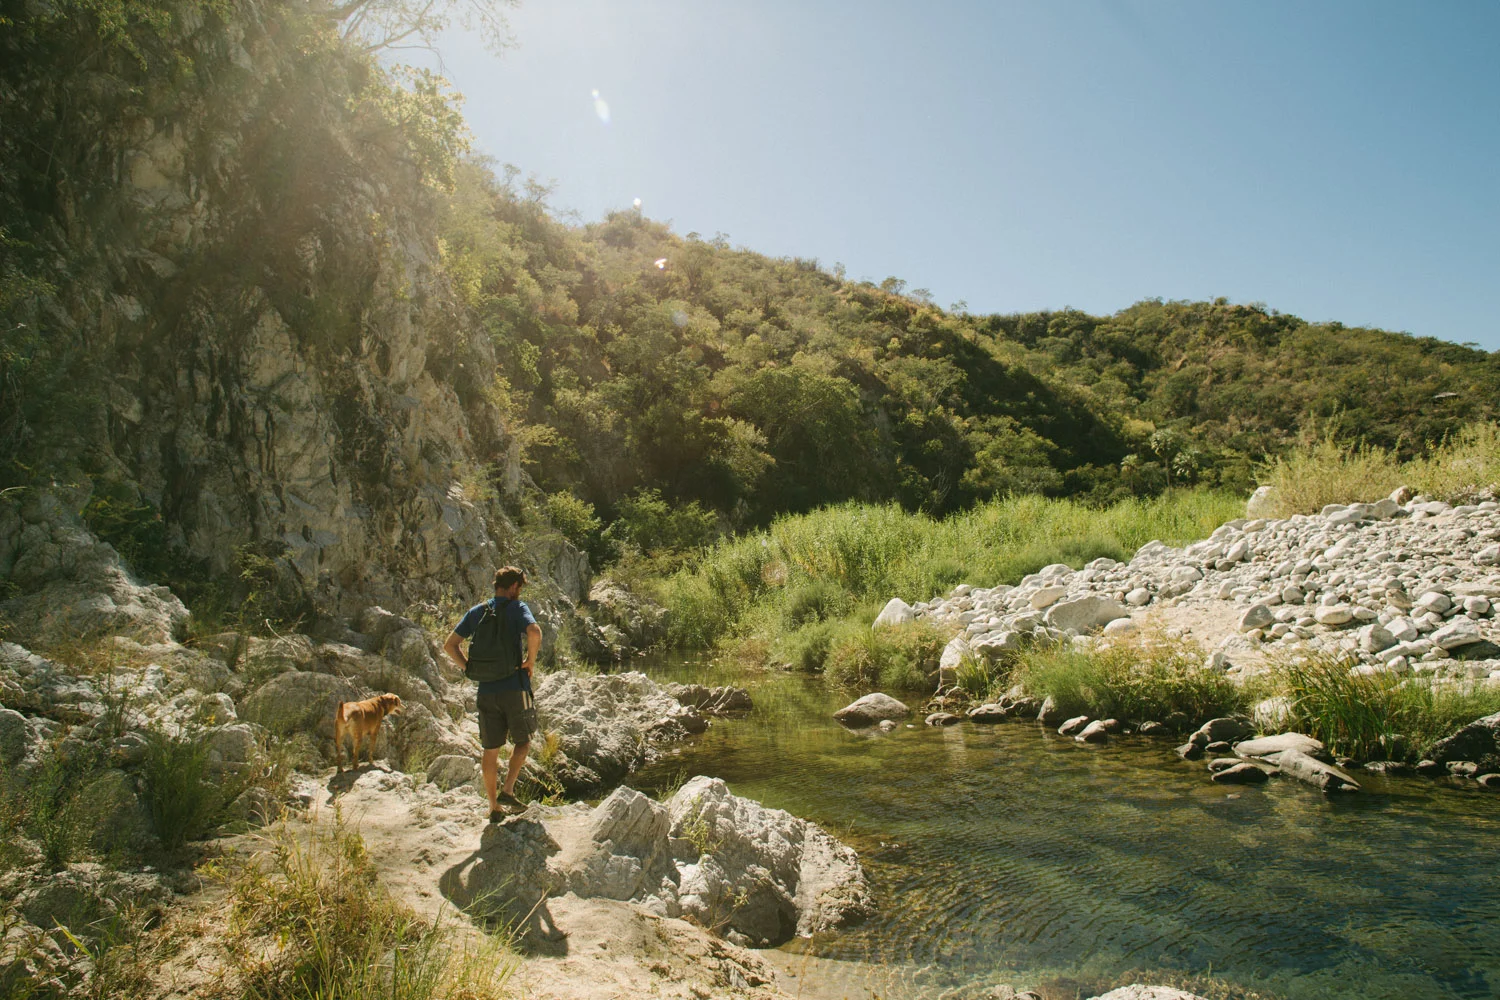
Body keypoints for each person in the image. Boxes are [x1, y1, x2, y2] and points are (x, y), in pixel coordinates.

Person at [443, 566, 542, 822]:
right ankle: (507, 790)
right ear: (513, 587)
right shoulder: (517, 608)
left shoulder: (478, 611)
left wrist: (469, 669)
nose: (519, 592)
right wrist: (530, 661)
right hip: (514, 687)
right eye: (519, 587)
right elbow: (534, 632)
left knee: (490, 750)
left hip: (486, 690)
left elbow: (449, 645)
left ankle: (493, 807)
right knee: (523, 741)